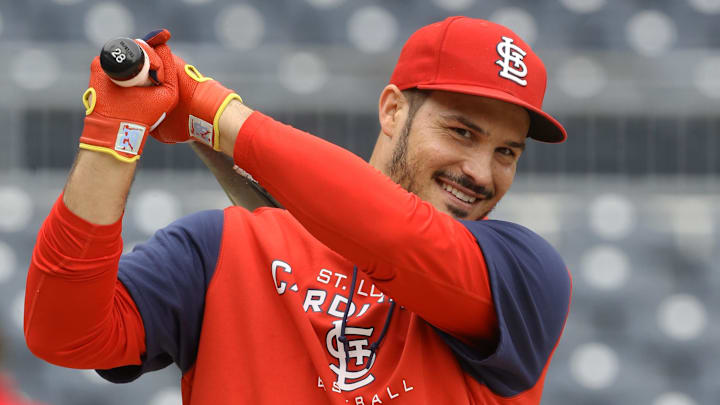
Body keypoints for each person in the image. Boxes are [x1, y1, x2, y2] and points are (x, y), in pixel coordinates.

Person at [24, 17, 571, 404]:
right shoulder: (222, 247)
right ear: (392, 110)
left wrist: (213, 111)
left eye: (507, 152)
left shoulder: (524, 274)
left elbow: (399, 236)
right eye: (461, 131)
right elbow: (63, 334)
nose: (480, 171)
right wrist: (114, 133)